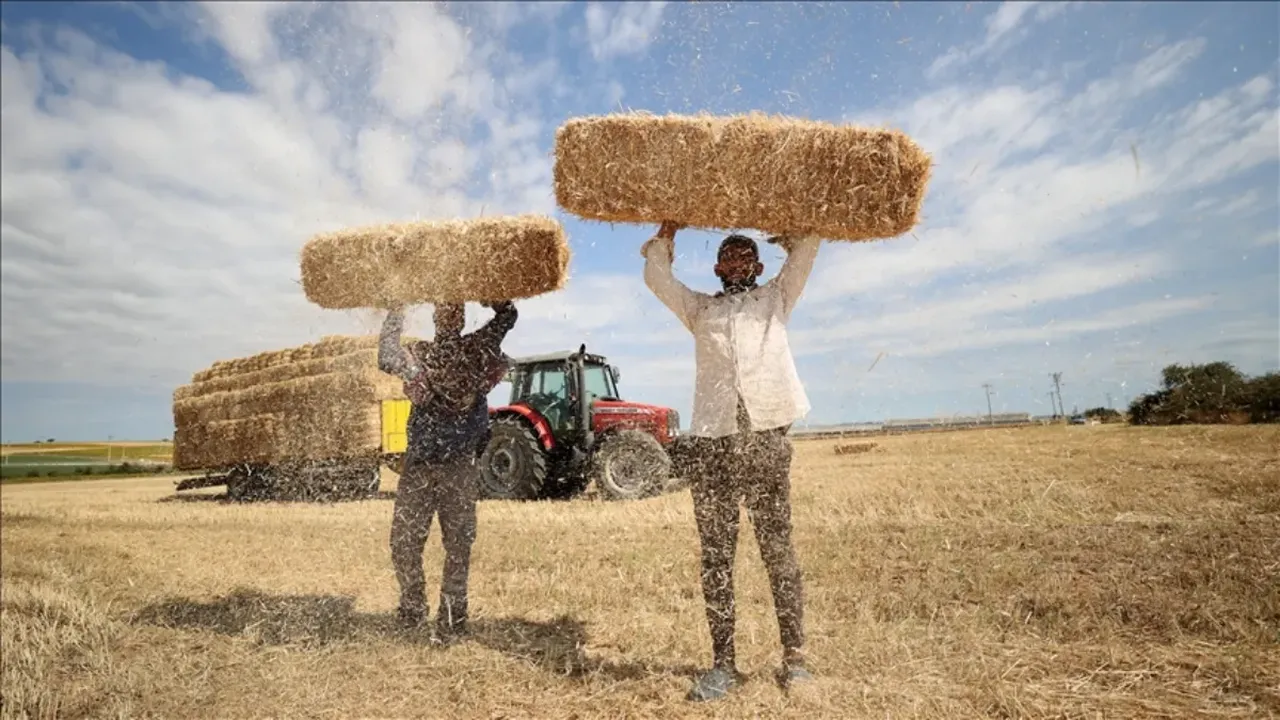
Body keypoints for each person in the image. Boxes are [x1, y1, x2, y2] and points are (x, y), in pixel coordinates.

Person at [641, 220, 821, 701]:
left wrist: (782, 221)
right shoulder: (701, 310)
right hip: (713, 446)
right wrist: (668, 233)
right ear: (718, 268)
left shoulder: (776, 300)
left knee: (777, 550)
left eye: (745, 256)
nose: (737, 263)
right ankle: (722, 664)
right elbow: (658, 279)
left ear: (759, 266)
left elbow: (805, 250)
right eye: (729, 257)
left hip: (766, 440)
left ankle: (796, 660)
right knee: (717, 558)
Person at [377, 299, 517, 642]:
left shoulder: (478, 347)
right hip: (420, 466)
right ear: (437, 316)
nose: (450, 314)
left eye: (456, 309)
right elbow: (386, 355)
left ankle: (453, 620)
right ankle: (412, 609)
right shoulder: (422, 354)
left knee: (459, 545)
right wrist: (396, 308)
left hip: (459, 466)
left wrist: (494, 298)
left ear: (463, 316)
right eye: (444, 309)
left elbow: (508, 315)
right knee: (404, 543)